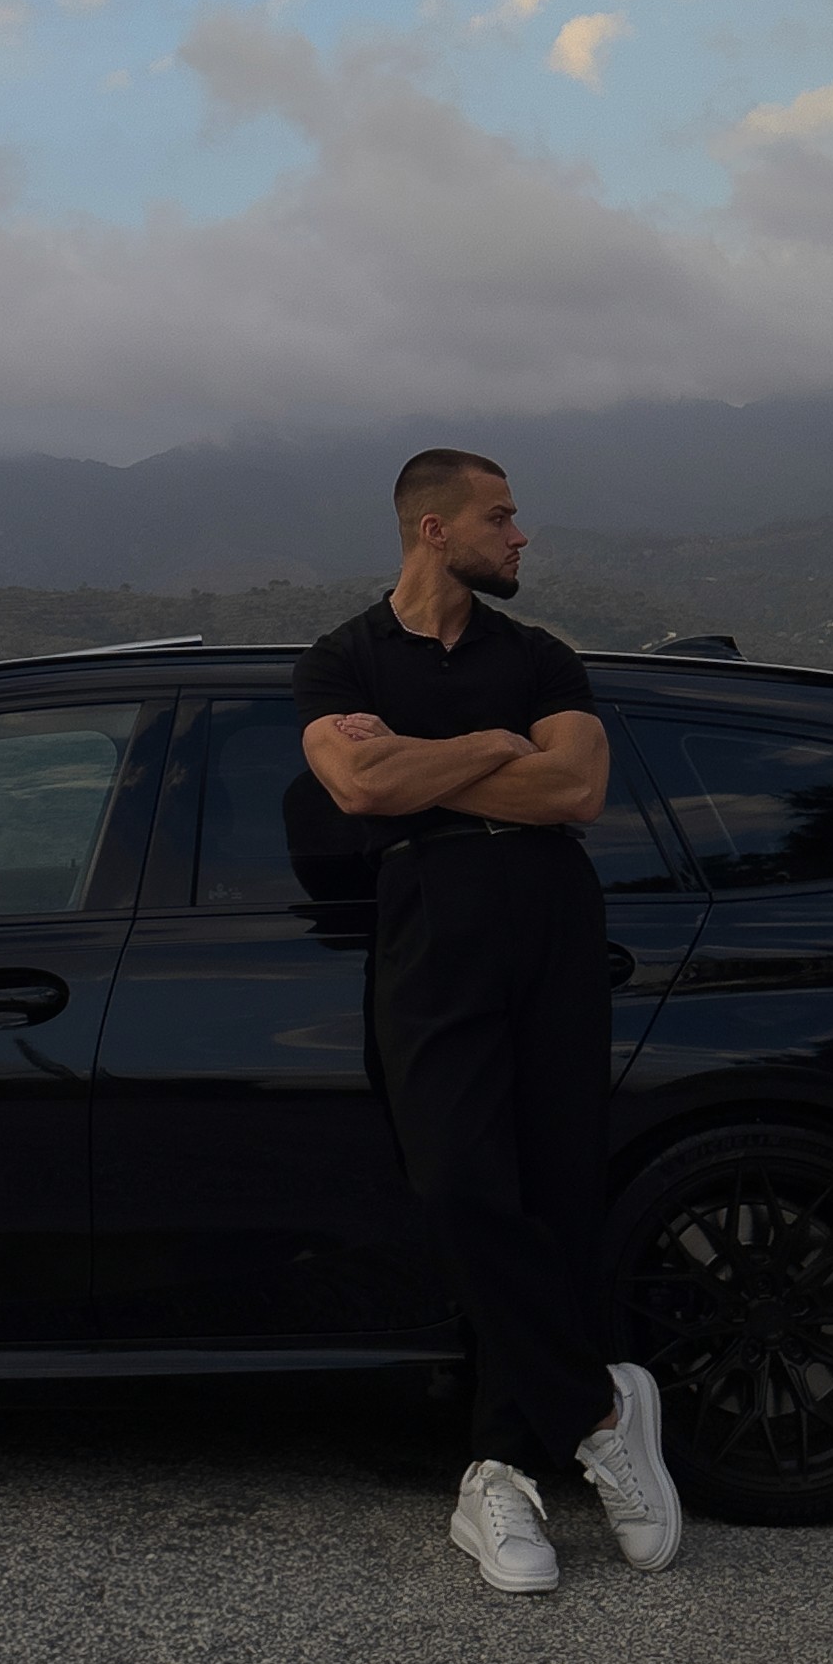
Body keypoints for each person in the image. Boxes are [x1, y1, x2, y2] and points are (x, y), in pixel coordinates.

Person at [294, 448, 683, 1595]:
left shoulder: (539, 655)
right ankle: (599, 1408)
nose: (519, 536)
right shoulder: (339, 657)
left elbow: (571, 791)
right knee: (459, 1184)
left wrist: (416, 762)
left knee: (554, 1197)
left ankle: (499, 1472)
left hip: (552, 918)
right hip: (428, 922)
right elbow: (357, 789)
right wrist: (490, 746)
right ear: (433, 528)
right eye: (499, 517)